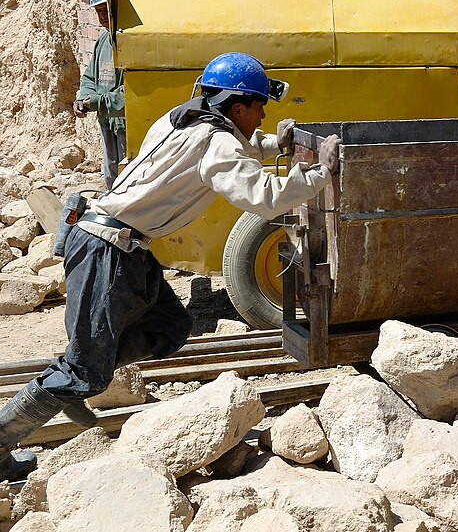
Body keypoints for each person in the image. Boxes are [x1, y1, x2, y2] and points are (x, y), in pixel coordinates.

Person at [0, 52, 341, 481]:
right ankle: (19, 428)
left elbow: (232, 148)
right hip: (108, 249)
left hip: (123, 247)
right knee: (84, 371)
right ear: (237, 107)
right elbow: (262, 196)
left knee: (171, 327)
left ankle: (83, 370)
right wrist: (321, 174)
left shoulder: (180, 120)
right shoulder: (216, 142)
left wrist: (277, 144)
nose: (262, 116)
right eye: (259, 108)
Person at [74, 0, 127, 190]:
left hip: (126, 125)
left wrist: (96, 102)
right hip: (107, 122)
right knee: (111, 175)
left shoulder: (130, 40)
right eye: (98, 12)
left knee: (129, 178)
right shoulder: (104, 39)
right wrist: (83, 97)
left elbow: (131, 93)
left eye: (106, 10)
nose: (102, 17)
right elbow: (90, 76)